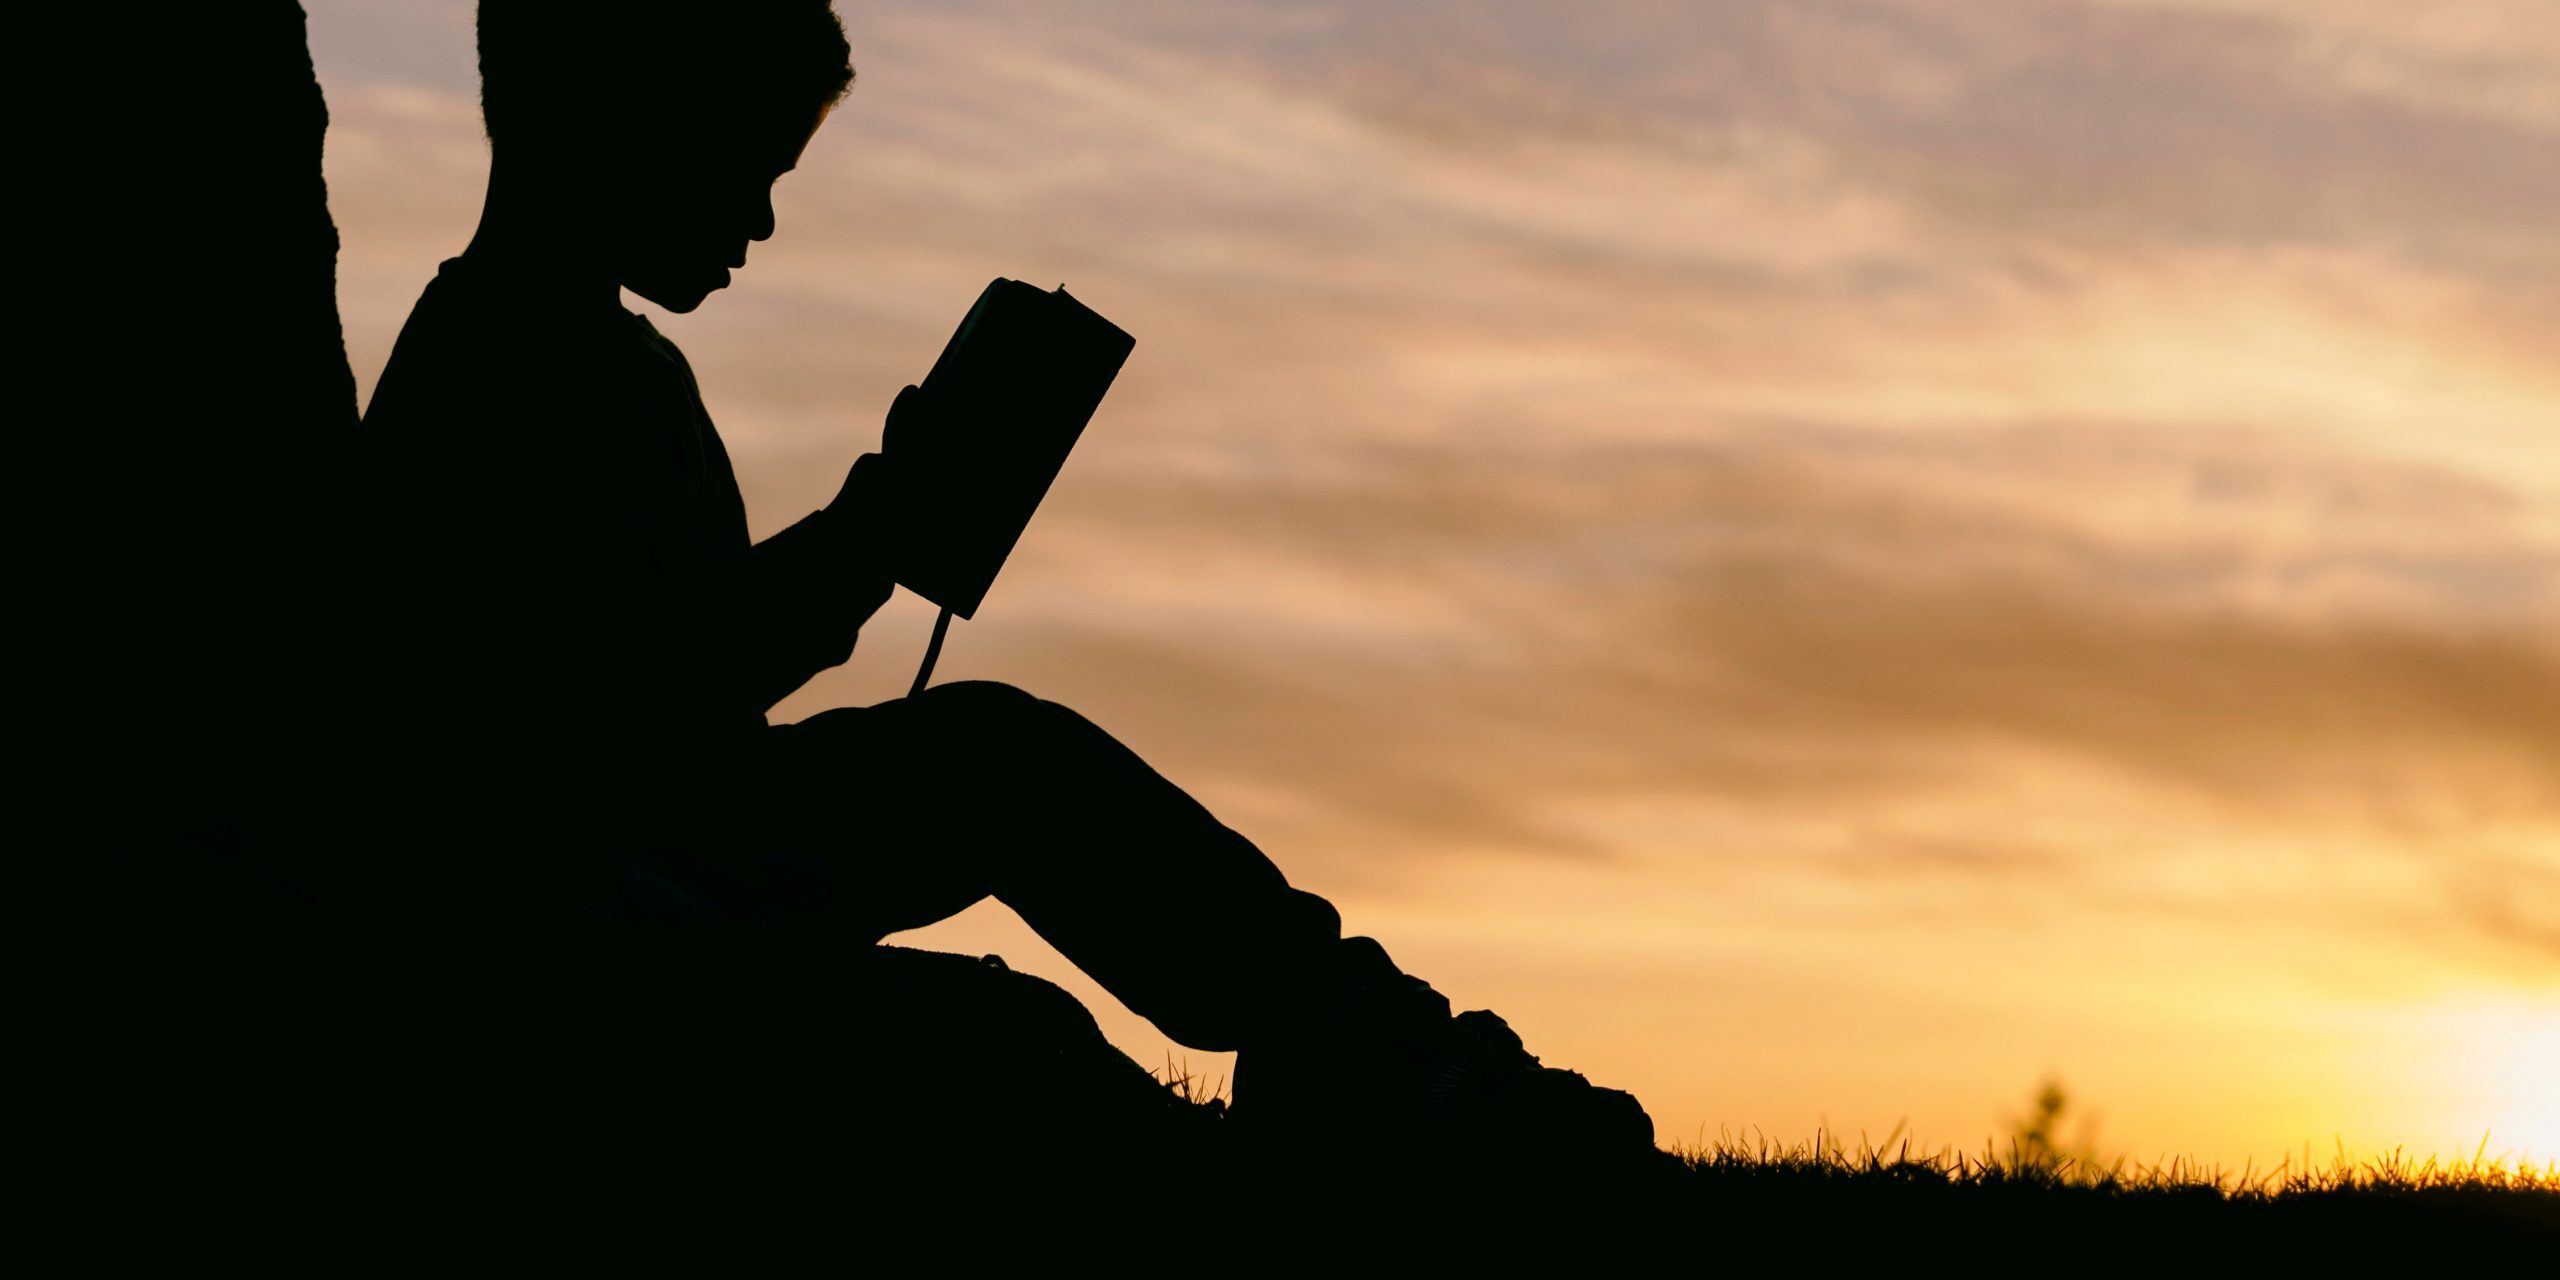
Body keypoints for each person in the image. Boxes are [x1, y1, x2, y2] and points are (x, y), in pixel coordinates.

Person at [356, 0, 1651, 1159]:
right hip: (594, 927)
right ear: (616, 117)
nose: (758, 219)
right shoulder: (492, 373)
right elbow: (616, 721)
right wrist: (873, 532)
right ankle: (1371, 1079)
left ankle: (1363, 1045)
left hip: (681, 857)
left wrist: (875, 531)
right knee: (1015, 1028)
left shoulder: (601, 361)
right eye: (744, 162)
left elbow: (685, 676)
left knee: (996, 758)